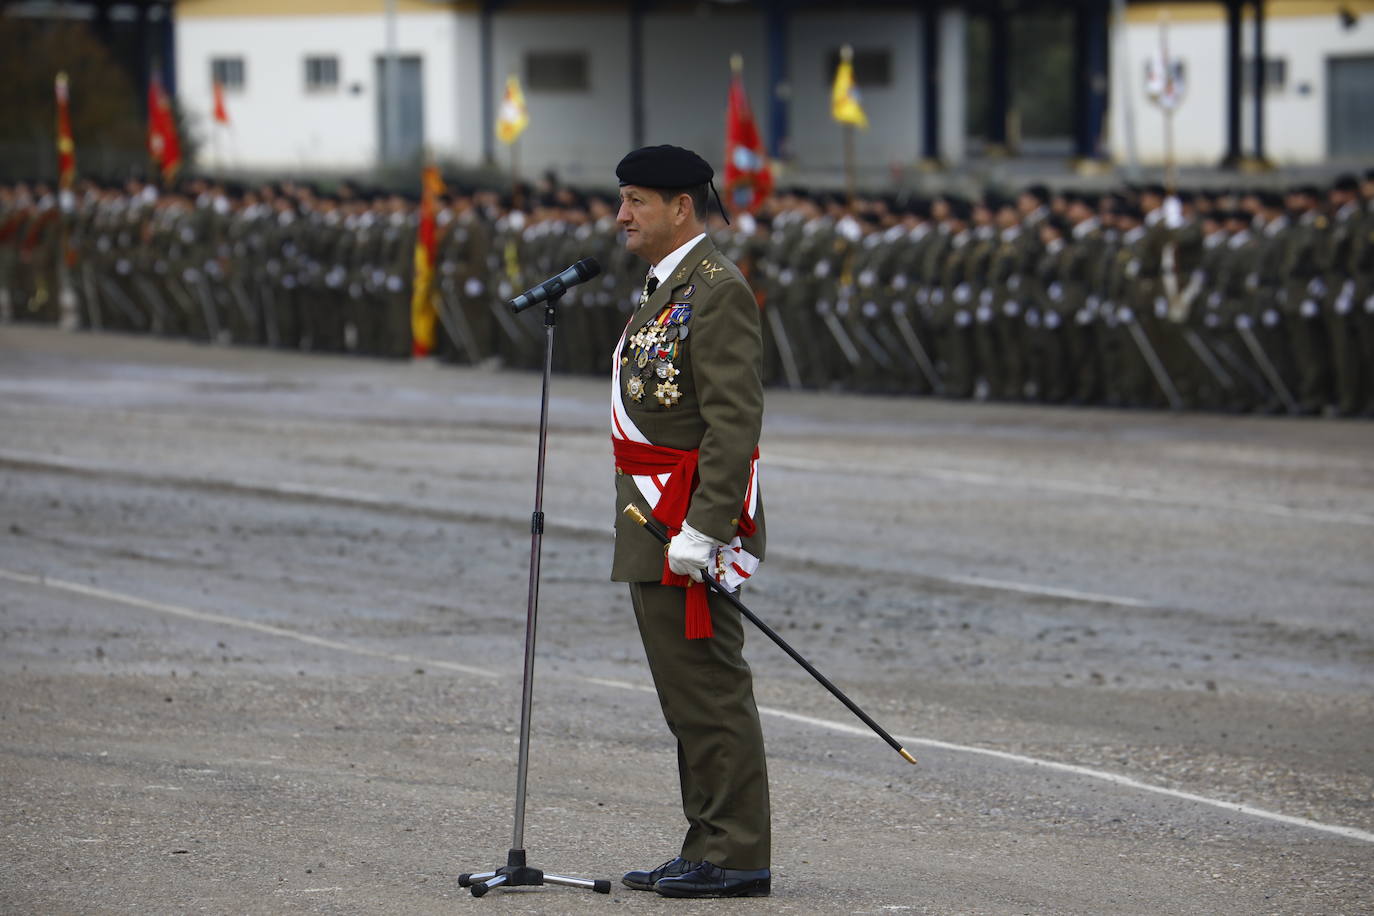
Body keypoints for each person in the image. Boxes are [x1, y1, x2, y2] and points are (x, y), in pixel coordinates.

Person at [608, 145, 772, 899]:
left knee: (709, 691)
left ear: (681, 207)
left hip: (685, 525)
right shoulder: (667, 287)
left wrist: (705, 531)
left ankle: (737, 852)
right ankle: (706, 841)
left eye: (637, 201)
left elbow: (733, 422)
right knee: (685, 697)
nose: (622, 216)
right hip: (654, 520)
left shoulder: (716, 289)